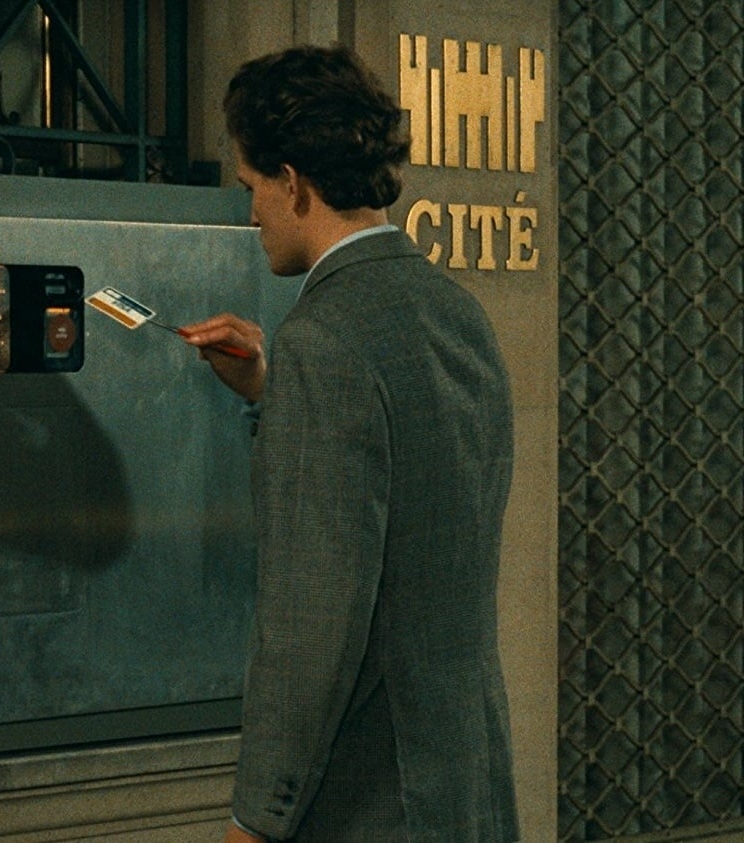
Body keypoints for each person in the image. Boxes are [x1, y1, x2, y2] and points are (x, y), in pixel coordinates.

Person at [176, 45, 520, 842]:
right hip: (467, 784)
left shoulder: (323, 340)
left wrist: (256, 817)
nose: (251, 214)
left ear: (293, 181)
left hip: (370, 803)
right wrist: (272, 391)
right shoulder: (455, 310)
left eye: (252, 187)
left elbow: (310, 626)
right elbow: (414, 480)